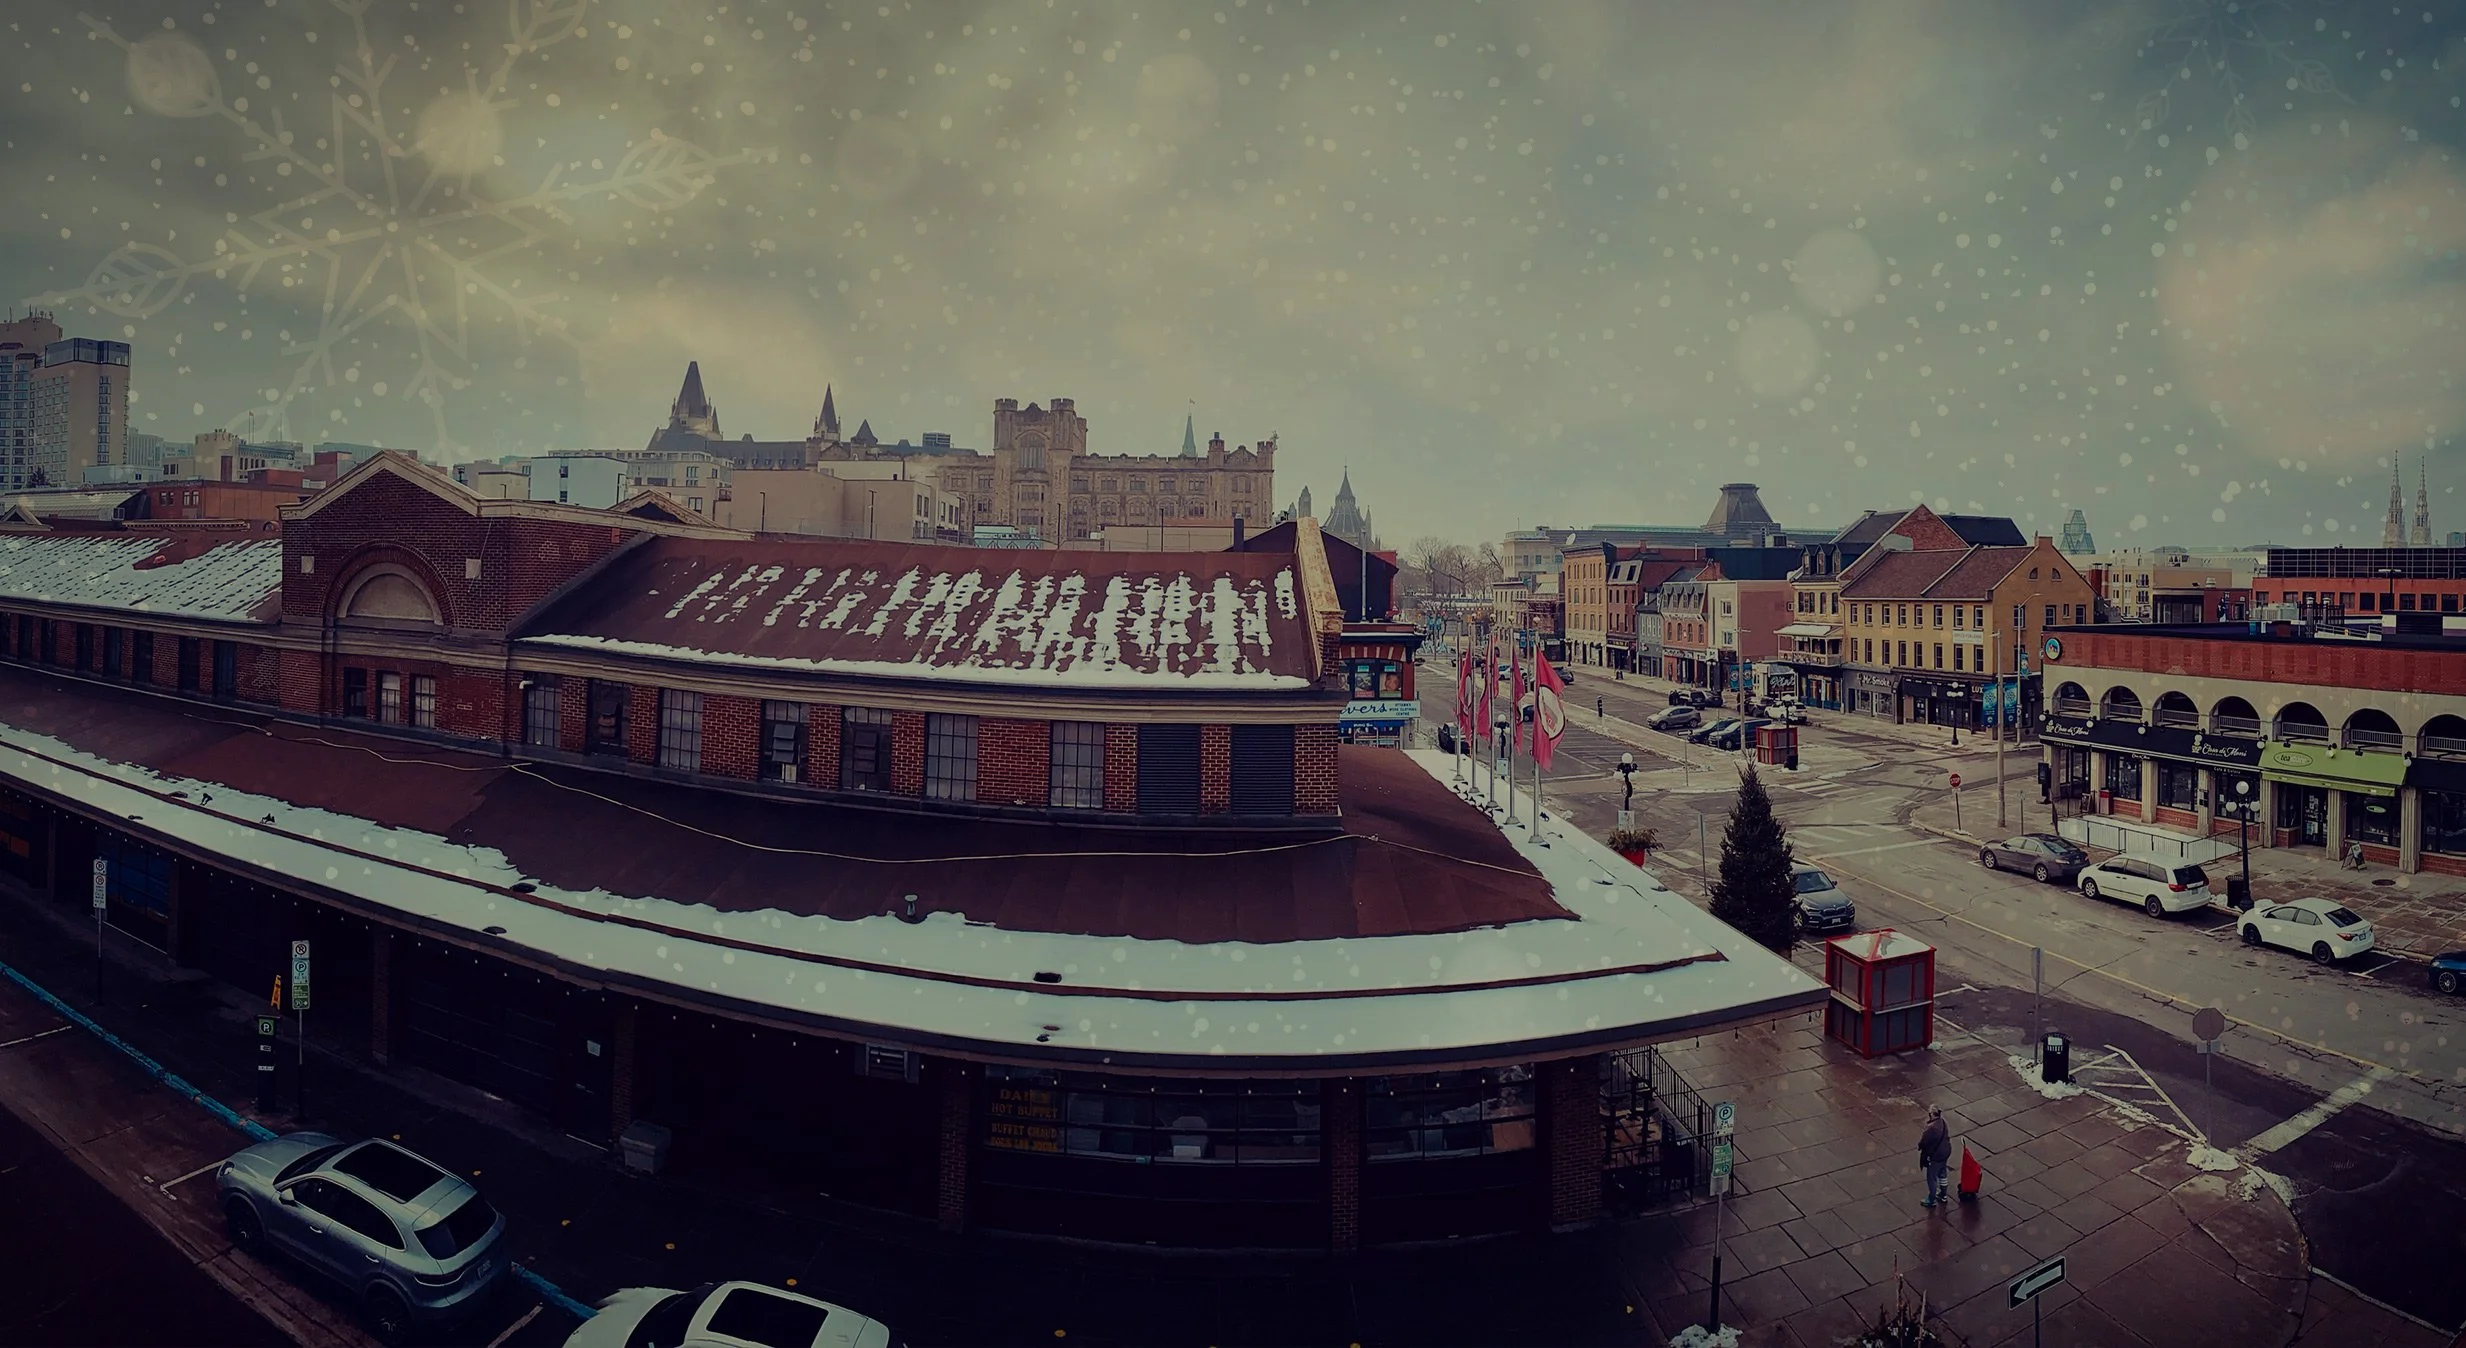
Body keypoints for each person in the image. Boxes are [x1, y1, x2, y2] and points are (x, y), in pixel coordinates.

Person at [1918, 1107, 1951, 1208]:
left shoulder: (1931, 1128)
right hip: (1945, 1151)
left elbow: (1924, 1142)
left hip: (1936, 1155)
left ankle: (1931, 1200)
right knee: (1942, 1173)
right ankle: (1943, 1195)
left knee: (1931, 1178)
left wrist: (1920, 1146)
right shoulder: (1942, 1122)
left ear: (1932, 1114)